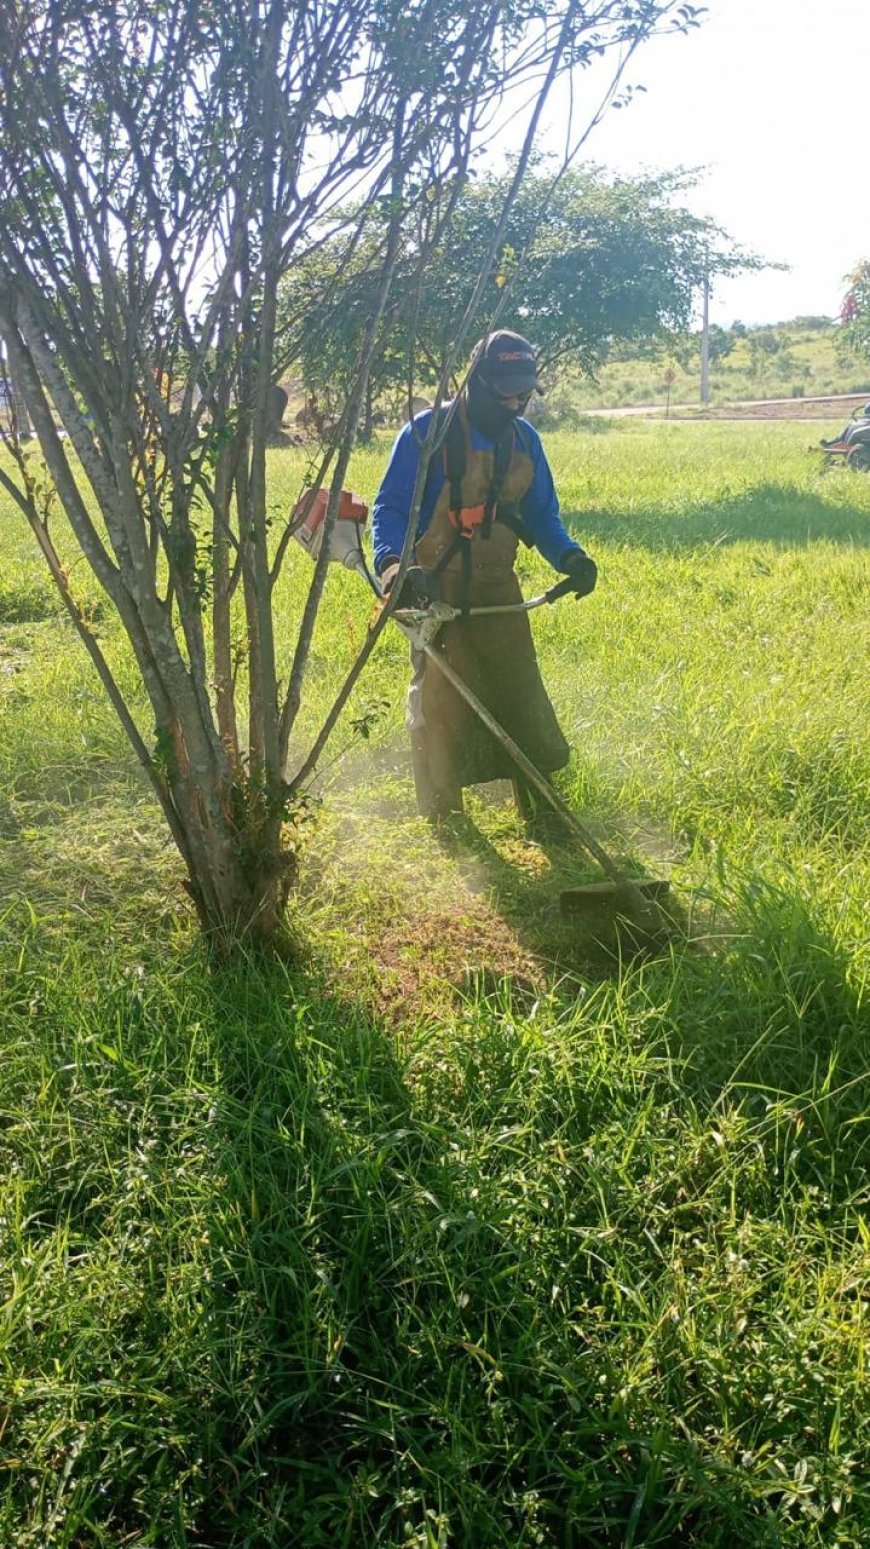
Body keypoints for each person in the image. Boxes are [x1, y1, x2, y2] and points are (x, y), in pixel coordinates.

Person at [371, 329, 597, 824]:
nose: (516, 403)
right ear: (476, 381)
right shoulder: (427, 434)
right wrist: (394, 567)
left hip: (498, 590)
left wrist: (571, 558)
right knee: (441, 698)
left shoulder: (524, 441)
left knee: (518, 691)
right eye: (506, 392)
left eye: (525, 393)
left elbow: (543, 516)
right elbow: (388, 510)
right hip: (432, 590)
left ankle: (538, 807)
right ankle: (444, 813)